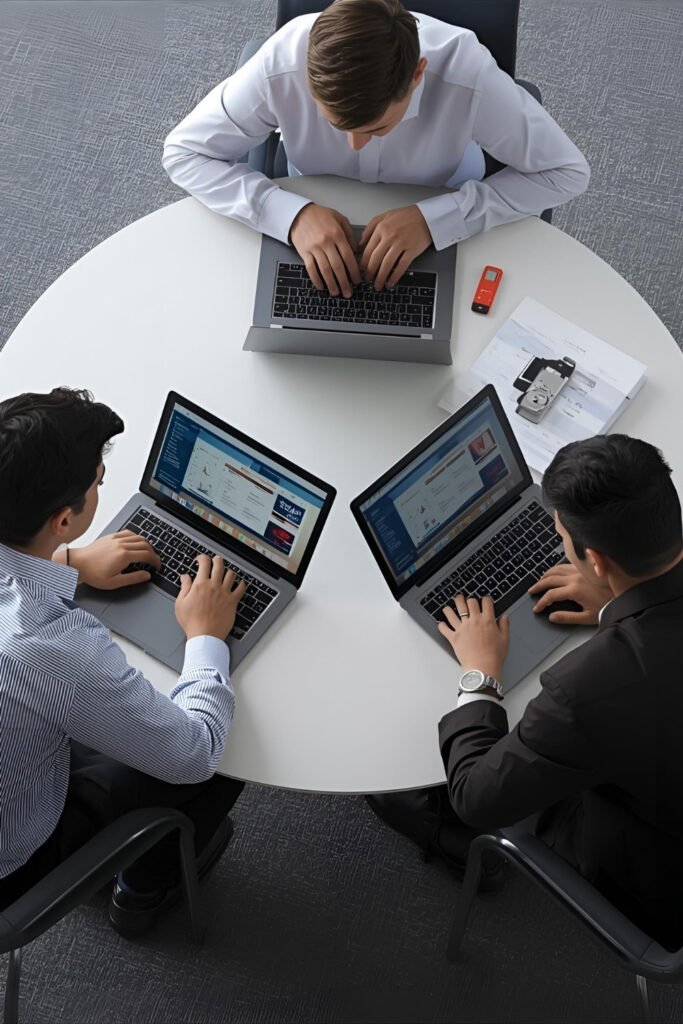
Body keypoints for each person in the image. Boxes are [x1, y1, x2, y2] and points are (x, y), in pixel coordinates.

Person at [367, 434, 683, 948]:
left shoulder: (584, 691)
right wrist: (614, 602)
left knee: (461, 793)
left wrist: (480, 672)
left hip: (653, 872)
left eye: (559, 534)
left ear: (597, 561)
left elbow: (475, 794)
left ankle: (449, 842)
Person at [0, 388, 248, 937]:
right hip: (13, 862)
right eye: (97, 480)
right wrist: (207, 637)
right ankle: (143, 890)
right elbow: (194, 751)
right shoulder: (50, 645)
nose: (103, 482)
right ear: (63, 518)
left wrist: (64, 561)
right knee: (231, 749)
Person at [162, 0, 590, 297]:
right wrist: (288, 214)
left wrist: (439, 219)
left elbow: (567, 172)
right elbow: (183, 153)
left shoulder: (467, 74)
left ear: (418, 74)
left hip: (441, 206)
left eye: (378, 127)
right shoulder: (284, 62)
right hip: (311, 210)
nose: (354, 145)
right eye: (337, 126)